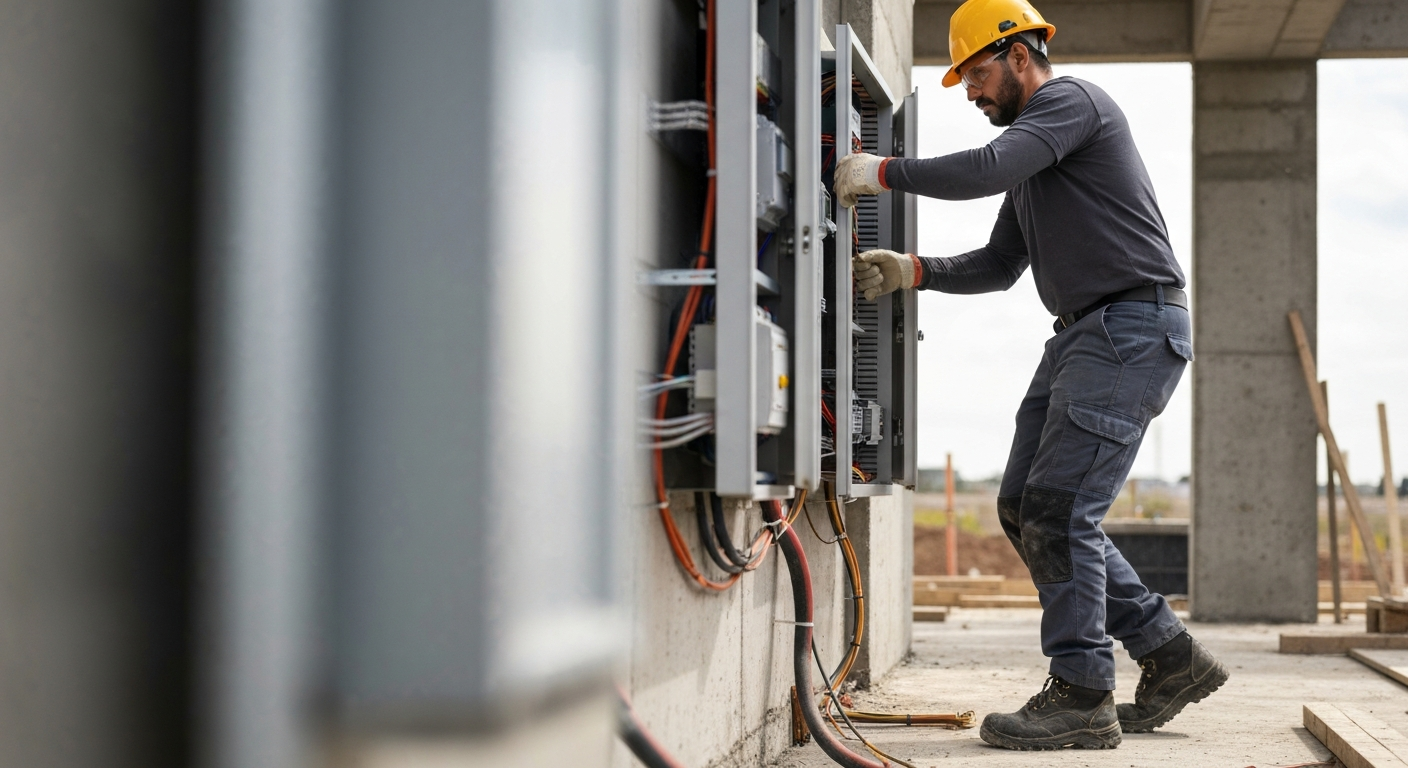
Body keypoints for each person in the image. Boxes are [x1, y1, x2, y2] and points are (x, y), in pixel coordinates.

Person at [832, 0, 1228, 751]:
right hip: (1088, 333)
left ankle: (1082, 693)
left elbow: (986, 169)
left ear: (1018, 54)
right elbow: (1000, 264)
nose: (971, 93)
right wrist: (914, 269)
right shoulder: (1038, 154)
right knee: (1023, 505)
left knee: (1059, 509)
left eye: (975, 75)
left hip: (1129, 327)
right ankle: (1170, 655)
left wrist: (881, 170)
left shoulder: (1070, 104)